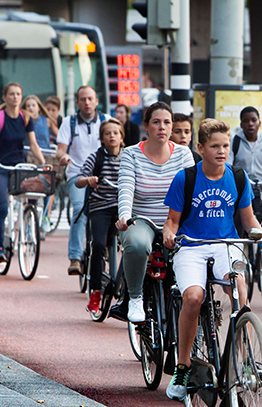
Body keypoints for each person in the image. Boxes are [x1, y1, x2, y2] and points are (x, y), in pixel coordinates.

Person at [161, 118, 262, 401]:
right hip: (192, 247)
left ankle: (241, 358)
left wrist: (261, 234)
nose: (221, 151)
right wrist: (168, 234)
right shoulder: (185, 178)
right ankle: (183, 367)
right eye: (214, 146)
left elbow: (248, 219)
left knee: (239, 289)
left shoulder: (238, 177)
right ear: (200, 148)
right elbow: (172, 221)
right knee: (193, 298)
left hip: (226, 244)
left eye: (225, 145)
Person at [115, 102, 194, 323]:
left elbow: (191, 189)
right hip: (142, 219)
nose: (162, 127)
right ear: (146, 126)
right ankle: (135, 297)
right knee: (138, 245)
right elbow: (126, 187)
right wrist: (124, 215)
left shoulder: (183, 154)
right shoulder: (131, 154)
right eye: (156, 122)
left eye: (167, 122)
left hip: (176, 221)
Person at [0, 82, 46, 263]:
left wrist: (42, 162)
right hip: (1, 168)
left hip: (19, 168)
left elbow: (33, 144)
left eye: (18, 94)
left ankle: (28, 226)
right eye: (11, 94)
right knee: (2, 206)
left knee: (33, 198)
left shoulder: (25, 118)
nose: (15, 97)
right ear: (4, 97)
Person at [56, 86, 110, 276]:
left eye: (90, 99)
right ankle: (75, 257)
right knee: (79, 208)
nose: (87, 103)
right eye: (83, 99)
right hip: (77, 174)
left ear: (96, 101)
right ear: (77, 103)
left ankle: (109, 253)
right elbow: (60, 149)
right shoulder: (68, 123)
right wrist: (63, 157)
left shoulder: (107, 121)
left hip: (104, 176)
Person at [77, 118, 125, 313]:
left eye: (116, 133)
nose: (112, 136)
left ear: (122, 137)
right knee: (97, 245)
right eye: (107, 133)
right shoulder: (96, 158)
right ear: (102, 139)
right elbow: (78, 181)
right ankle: (96, 290)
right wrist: (89, 179)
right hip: (101, 207)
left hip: (123, 207)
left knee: (134, 245)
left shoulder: (129, 157)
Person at [227, 106, 262, 184]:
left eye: (254, 120)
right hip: (241, 189)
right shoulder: (234, 142)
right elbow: (227, 167)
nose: (250, 124)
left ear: (259, 123)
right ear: (241, 124)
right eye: (246, 121)